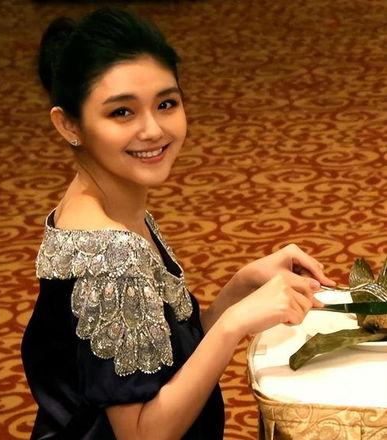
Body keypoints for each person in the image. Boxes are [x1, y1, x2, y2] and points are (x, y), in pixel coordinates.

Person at [21, 7, 335, 440]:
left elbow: (159, 359)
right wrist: (233, 324)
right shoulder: (110, 255)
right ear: (68, 124)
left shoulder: (102, 205)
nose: (153, 130)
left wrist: (239, 287)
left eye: (166, 104)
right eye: (122, 113)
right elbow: (141, 434)